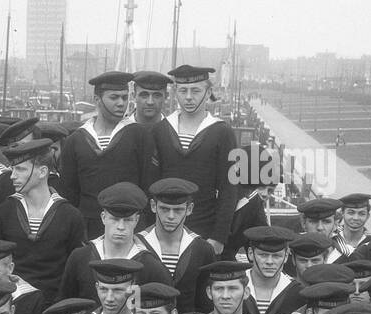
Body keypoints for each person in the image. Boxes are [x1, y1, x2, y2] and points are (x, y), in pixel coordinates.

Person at [151, 65, 238, 253]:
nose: (189, 97)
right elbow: (151, 182)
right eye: (183, 91)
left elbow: (228, 188)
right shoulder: (161, 130)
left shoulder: (222, 132)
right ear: (175, 93)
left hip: (204, 227)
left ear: (208, 93)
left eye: (196, 91)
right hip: (164, 226)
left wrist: (219, 236)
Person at [57, 71, 152, 238]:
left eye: (124, 97)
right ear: (97, 100)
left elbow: (148, 185)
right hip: (87, 228)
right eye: (114, 97)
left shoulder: (139, 135)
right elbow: (69, 192)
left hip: (128, 226)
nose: (121, 103)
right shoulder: (75, 140)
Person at [0, 136, 85, 302]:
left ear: (42, 172)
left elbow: (75, 270)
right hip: (13, 302)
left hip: (55, 304)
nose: (12, 176)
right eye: (13, 169)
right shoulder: (4, 212)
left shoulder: (70, 216)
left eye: (21, 169)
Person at [57, 182, 171, 301]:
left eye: (127, 220)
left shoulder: (151, 266)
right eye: (115, 219)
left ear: (136, 220)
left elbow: (164, 311)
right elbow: (64, 306)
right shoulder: (80, 258)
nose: (120, 226)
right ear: (103, 217)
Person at [137, 178, 216, 313]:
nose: (171, 216)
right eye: (164, 209)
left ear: (189, 209)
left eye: (178, 210)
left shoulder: (202, 249)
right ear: (153, 206)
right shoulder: (137, 245)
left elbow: (205, 301)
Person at [241, 225, 302, 314]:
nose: (269, 261)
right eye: (263, 255)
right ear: (250, 254)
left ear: (286, 256)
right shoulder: (235, 288)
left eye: (276, 256)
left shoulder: (298, 293)